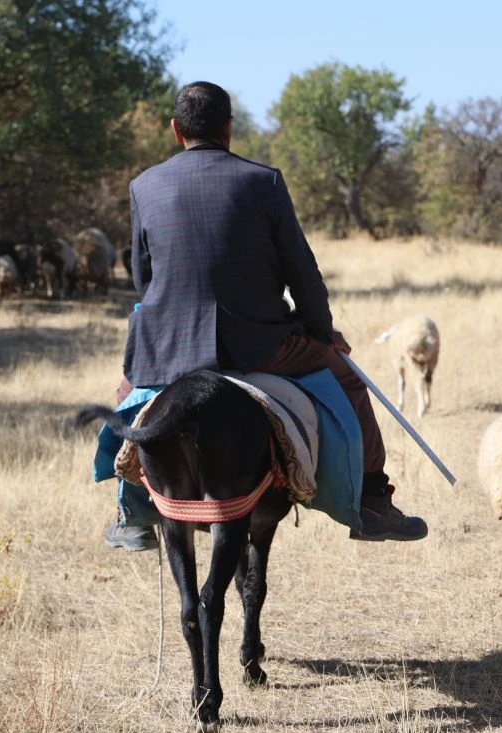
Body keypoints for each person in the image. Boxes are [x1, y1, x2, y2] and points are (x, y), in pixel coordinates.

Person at [104, 80, 427, 549]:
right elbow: (302, 271)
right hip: (260, 345)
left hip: (169, 346)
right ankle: (373, 502)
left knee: (127, 399)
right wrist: (322, 332)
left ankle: (129, 513)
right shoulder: (264, 181)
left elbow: (142, 276)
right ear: (229, 128)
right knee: (350, 383)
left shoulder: (143, 186)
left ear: (176, 130)